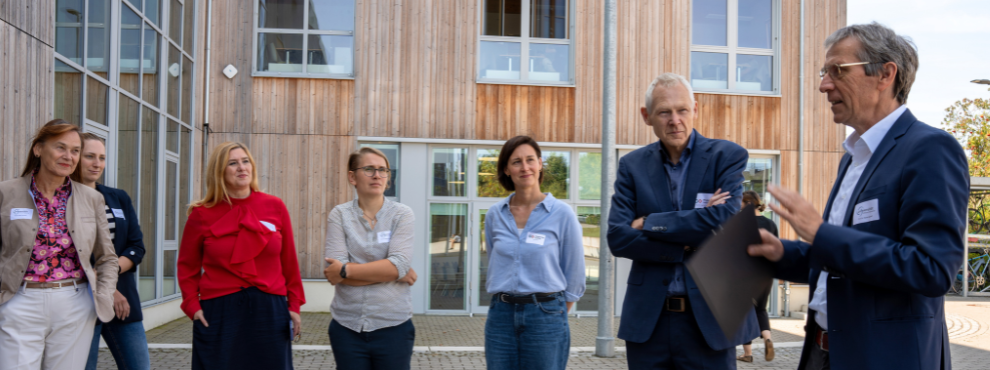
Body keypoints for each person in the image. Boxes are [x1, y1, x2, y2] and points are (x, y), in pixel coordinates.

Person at [747, 23, 967, 370]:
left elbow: (932, 269)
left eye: (838, 71)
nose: (823, 85)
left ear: (885, 74)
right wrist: (781, 254)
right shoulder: (852, 157)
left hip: (885, 358)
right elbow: (839, 262)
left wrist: (822, 233)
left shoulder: (929, 149)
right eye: (824, 72)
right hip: (822, 352)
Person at [607, 73, 758, 370]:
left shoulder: (727, 156)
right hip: (650, 321)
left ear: (696, 110)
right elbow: (617, 237)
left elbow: (722, 219)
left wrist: (649, 222)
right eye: (664, 112)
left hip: (710, 318)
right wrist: (685, 244)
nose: (675, 120)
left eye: (682, 110)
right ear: (647, 116)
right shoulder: (632, 166)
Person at [0, 120, 118, 370]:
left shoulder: (92, 199)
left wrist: (103, 295)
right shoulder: (6, 193)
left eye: (75, 150)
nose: (69, 156)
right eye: (60, 147)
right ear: (38, 149)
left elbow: (107, 258)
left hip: (74, 303)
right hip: (19, 301)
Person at [178, 142, 306, 370]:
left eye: (245, 161)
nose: (241, 167)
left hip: (270, 309)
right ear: (219, 171)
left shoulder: (275, 206)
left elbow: (289, 263)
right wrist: (191, 305)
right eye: (233, 163)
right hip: (218, 312)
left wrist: (294, 306)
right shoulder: (201, 214)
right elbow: (187, 266)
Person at [483, 136, 585, 370]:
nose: (525, 167)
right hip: (501, 315)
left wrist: (551, 310)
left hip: (546, 315)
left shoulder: (562, 214)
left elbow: (575, 275)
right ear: (507, 170)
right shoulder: (494, 215)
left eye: (530, 160)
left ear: (540, 164)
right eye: (516, 162)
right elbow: (495, 262)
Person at [323, 147, 418, 370]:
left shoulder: (402, 214)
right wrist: (393, 272)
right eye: (369, 169)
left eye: (383, 170)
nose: (377, 175)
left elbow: (398, 265)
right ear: (352, 177)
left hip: (394, 327)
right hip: (347, 328)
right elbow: (332, 271)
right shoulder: (339, 214)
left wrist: (346, 271)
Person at [71, 134, 151, 370]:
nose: (97, 163)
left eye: (102, 158)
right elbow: (69, 256)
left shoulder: (118, 198)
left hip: (123, 302)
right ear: (76, 157)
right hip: (81, 303)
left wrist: (110, 277)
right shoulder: (62, 200)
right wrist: (107, 289)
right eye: (90, 156)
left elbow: (136, 247)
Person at [736, 190, 777, 363]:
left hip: (747, 273)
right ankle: (768, 338)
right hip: (766, 272)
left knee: (745, 312)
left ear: (746, 203)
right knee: (760, 309)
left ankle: (748, 354)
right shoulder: (770, 223)